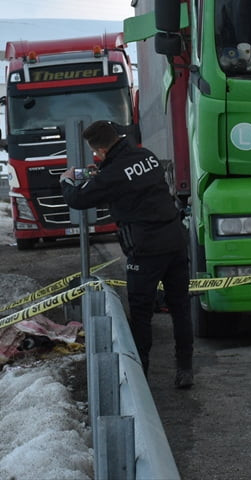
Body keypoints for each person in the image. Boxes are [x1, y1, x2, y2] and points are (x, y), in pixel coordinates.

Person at [60, 120, 194, 389]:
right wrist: (102, 172)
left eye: (95, 152)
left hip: (145, 251)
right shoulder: (145, 156)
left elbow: (78, 199)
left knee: (142, 314)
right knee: (180, 308)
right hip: (176, 241)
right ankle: (185, 369)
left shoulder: (112, 175)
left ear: (99, 149)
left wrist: (66, 182)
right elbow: (133, 179)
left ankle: (140, 375)